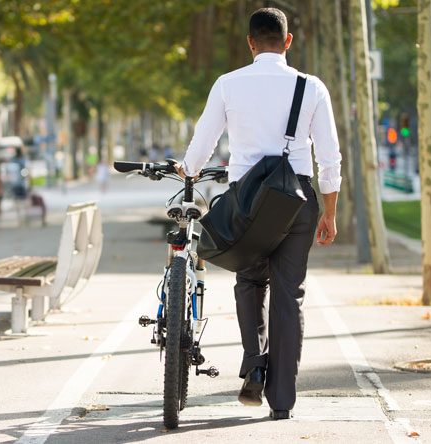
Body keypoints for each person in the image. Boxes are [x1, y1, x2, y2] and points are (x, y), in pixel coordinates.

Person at [176, 7, 342, 420]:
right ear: (288, 42)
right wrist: (330, 213)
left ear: (250, 43)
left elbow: (203, 143)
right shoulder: (312, 87)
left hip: (248, 200)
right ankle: (282, 401)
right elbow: (330, 157)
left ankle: (254, 363)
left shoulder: (229, 84)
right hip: (298, 200)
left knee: (250, 280)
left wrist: (188, 168)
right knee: (289, 295)